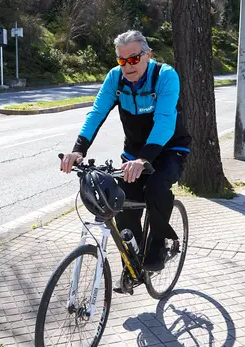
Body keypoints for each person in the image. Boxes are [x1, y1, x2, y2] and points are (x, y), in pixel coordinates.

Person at [60, 30, 192, 280]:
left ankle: (158, 245)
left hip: (169, 148)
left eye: (133, 59)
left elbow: (164, 122)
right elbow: (97, 113)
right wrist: (78, 149)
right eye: (122, 60)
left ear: (147, 55)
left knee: (155, 188)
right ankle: (131, 263)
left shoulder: (165, 76)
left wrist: (144, 160)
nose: (127, 65)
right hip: (133, 153)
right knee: (121, 203)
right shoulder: (115, 79)